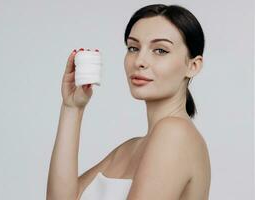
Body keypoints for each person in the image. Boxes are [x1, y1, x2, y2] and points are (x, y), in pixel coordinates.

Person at [46, 4, 211, 200]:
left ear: (193, 66)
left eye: (160, 50)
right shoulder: (130, 148)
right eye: (133, 47)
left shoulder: (175, 133)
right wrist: (71, 108)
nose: (139, 60)